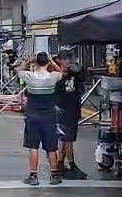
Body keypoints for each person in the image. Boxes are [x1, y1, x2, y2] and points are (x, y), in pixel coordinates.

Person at [16, 52, 64, 185]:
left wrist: (28, 61)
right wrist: (52, 62)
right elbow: (61, 72)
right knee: (51, 148)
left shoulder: (29, 77)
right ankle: (54, 175)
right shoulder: (53, 77)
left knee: (33, 147)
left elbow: (19, 70)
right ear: (47, 63)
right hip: (49, 117)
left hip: (33, 117)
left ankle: (33, 176)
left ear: (35, 63)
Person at [55, 49, 88, 180]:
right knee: (66, 139)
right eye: (65, 59)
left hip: (73, 108)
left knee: (67, 139)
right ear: (59, 60)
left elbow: (83, 78)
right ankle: (70, 164)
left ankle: (60, 164)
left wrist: (81, 70)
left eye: (69, 58)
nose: (68, 61)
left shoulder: (74, 74)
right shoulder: (56, 75)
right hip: (62, 109)